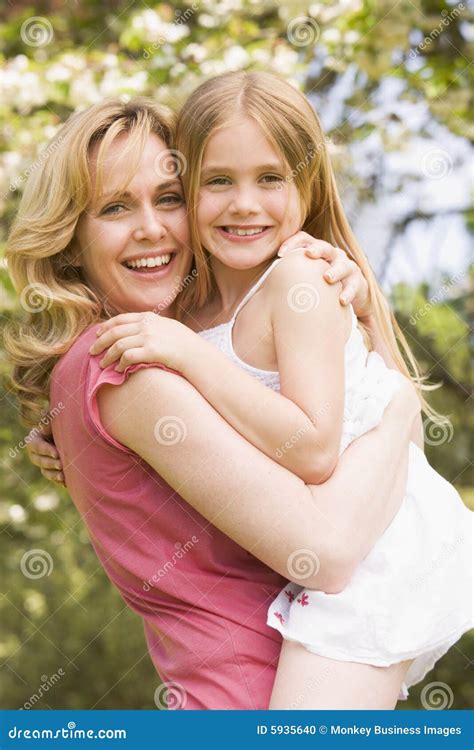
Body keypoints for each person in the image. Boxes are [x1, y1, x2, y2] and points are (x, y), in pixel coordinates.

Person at [8, 96, 419, 710]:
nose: (152, 228)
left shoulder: (181, 350)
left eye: (170, 198)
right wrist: (400, 407)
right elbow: (327, 553)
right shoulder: (126, 364)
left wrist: (351, 321)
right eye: (116, 207)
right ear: (70, 240)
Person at [84, 73, 472, 708]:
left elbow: (313, 448)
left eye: (270, 179)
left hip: (381, 557)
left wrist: (185, 355)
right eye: (218, 181)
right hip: (324, 549)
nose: (244, 204)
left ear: (307, 186)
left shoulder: (300, 281)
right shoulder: (196, 310)